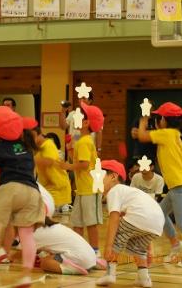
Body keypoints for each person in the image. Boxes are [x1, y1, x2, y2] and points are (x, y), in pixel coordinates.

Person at [0, 106, 45, 287]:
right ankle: (26, 275)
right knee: (26, 235)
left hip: (11, 188)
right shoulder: (26, 145)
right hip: (33, 192)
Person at [137, 102, 182, 267]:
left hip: (179, 185)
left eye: (159, 117)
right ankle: (176, 244)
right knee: (160, 214)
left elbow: (142, 136)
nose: (158, 120)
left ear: (164, 120)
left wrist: (143, 121)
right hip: (179, 184)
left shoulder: (167, 134)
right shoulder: (176, 135)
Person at [96, 160, 164, 287]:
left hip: (140, 218)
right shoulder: (128, 192)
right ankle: (144, 278)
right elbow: (146, 219)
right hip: (157, 223)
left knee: (116, 235)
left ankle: (110, 274)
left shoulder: (115, 191)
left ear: (113, 177)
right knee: (138, 246)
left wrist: (109, 246)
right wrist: (148, 247)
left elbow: (114, 219)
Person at [60, 102, 104, 255]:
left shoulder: (85, 142)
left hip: (90, 188)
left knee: (91, 223)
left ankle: (95, 251)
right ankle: (79, 250)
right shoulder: (82, 141)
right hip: (83, 189)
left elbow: (84, 165)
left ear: (86, 123)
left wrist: (68, 167)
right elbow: (78, 161)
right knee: (77, 222)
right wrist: (71, 150)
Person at [24, 119, 71, 211]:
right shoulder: (40, 149)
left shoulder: (48, 144)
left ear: (35, 135)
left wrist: (29, 159)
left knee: (48, 217)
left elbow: (49, 161)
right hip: (49, 187)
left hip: (57, 189)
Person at [59, 92, 103, 158]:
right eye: (79, 98)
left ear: (90, 101)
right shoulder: (72, 114)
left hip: (88, 148)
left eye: (84, 98)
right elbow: (63, 126)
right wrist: (63, 112)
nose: (81, 100)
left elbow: (99, 132)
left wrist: (99, 149)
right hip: (73, 149)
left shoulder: (93, 114)